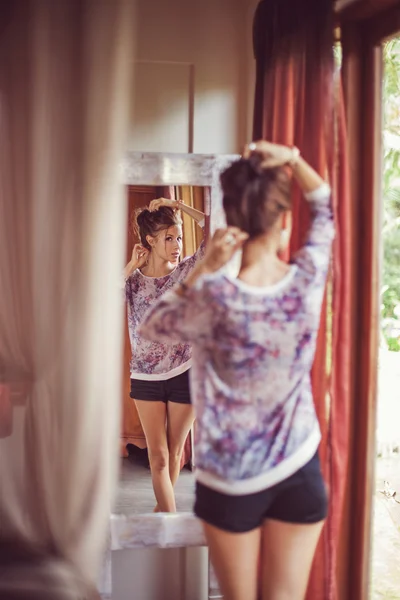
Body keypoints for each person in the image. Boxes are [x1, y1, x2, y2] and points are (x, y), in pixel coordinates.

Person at [139, 141, 334, 600]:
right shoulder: (305, 282)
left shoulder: (211, 297)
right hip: (298, 469)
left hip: (230, 478)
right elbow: (325, 207)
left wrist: (205, 266)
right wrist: (291, 157)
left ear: (234, 224)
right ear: (285, 223)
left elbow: (152, 327)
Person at [124, 196, 206, 513]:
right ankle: (168, 523)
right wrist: (130, 265)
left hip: (186, 372)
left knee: (173, 454)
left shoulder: (186, 271)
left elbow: (218, 228)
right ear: (149, 240)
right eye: (168, 238)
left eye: (179, 238)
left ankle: (163, 517)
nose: (176, 245)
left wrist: (180, 205)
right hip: (145, 377)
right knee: (157, 456)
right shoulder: (133, 282)